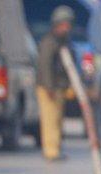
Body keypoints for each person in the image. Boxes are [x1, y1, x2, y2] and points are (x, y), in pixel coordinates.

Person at [35, 5, 76, 162]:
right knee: (50, 119)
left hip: (59, 87)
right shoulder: (49, 41)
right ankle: (51, 150)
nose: (67, 28)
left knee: (58, 119)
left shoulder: (64, 41)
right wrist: (49, 87)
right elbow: (45, 66)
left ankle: (56, 147)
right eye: (65, 24)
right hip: (49, 87)